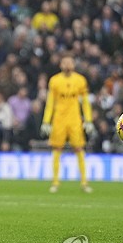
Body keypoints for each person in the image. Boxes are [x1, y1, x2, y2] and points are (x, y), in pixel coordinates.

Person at [40, 55, 95, 193]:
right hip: (59, 119)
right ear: (60, 65)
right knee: (57, 149)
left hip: (75, 119)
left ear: (74, 64)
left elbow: (86, 102)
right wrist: (46, 121)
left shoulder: (80, 80)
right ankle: (55, 182)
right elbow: (50, 102)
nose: (67, 65)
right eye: (65, 62)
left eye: (70, 62)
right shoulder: (54, 81)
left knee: (79, 148)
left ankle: (84, 182)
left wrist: (88, 119)